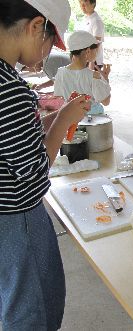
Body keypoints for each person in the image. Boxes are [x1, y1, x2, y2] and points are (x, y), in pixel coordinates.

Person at [0, 1, 91, 329]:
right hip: (16, 221)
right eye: (52, 42)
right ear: (36, 25)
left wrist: (54, 116)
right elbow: (35, 175)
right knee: (32, 310)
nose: (49, 52)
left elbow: (13, 136)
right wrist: (64, 118)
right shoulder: (11, 89)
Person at [54, 30, 111, 115]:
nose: (97, 52)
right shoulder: (94, 75)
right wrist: (105, 79)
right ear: (88, 51)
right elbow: (106, 102)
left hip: (70, 119)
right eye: (96, 49)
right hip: (92, 121)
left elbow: (58, 98)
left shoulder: (60, 72)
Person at [78, 0, 104, 69]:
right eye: (81, 4)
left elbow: (97, 43)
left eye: (85, 4)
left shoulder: (97, 21)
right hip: (85, 58)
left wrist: (91, 63)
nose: (82, 7)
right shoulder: (86, 18)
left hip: (93, 61)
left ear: (93, 4)